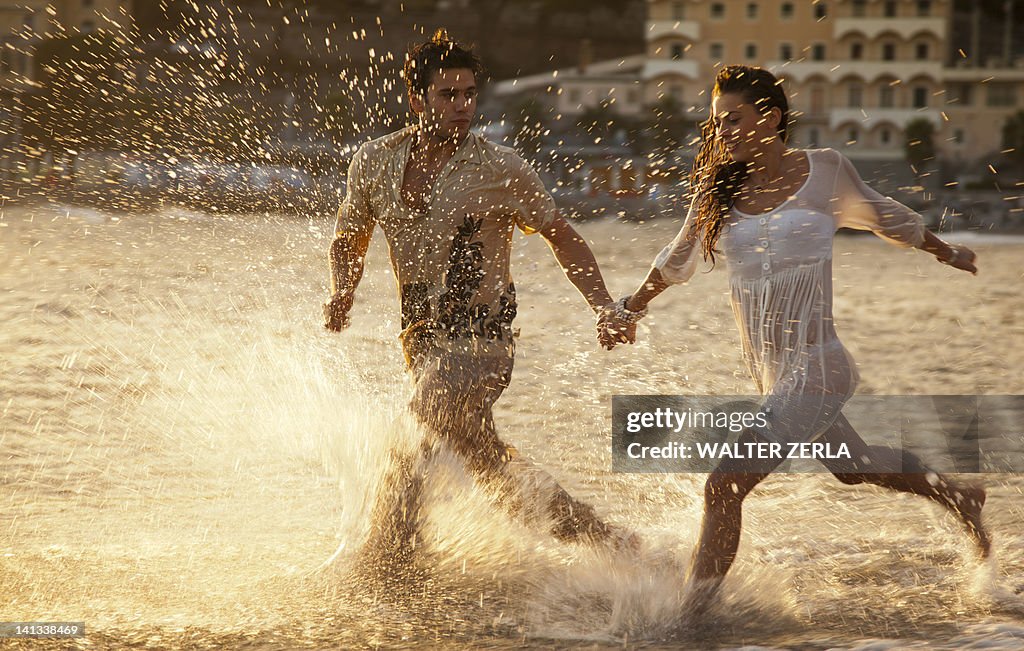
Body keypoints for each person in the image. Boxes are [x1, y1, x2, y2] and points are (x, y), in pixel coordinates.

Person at [605, 65, 990, 604]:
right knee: (853, 468)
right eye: (716, 124)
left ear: (772, 118)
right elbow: (676, 258)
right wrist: (629, 308)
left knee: (724, 484)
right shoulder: (719, 186)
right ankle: (960, 495)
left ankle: (692, 617)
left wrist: (944, 250)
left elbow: (884, 216)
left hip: (819, 364)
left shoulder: (824, 170)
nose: (722, 133)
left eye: (733, 120)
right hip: (775, 372)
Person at [322, 29, 633, 566]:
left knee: (415, 429)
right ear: (417, 98)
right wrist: (341, 295)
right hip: (420, 342)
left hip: (483, 341)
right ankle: (606, 544)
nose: (463, 106)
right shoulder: (373, 161)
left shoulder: (500, 167)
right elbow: (350, 236)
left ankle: (387, 561)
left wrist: (604, 305)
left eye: (469, 94)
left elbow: (562, 235)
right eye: (448, 95)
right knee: (488, 463)